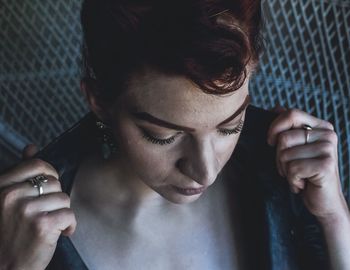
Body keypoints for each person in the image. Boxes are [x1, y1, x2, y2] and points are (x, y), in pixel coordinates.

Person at [0, 0, 349, 269]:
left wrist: (334, 219)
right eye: (163, 135)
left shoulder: (285, 178)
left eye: (230, 126)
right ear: (100, 101)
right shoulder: (29, 232)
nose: (205, 170)